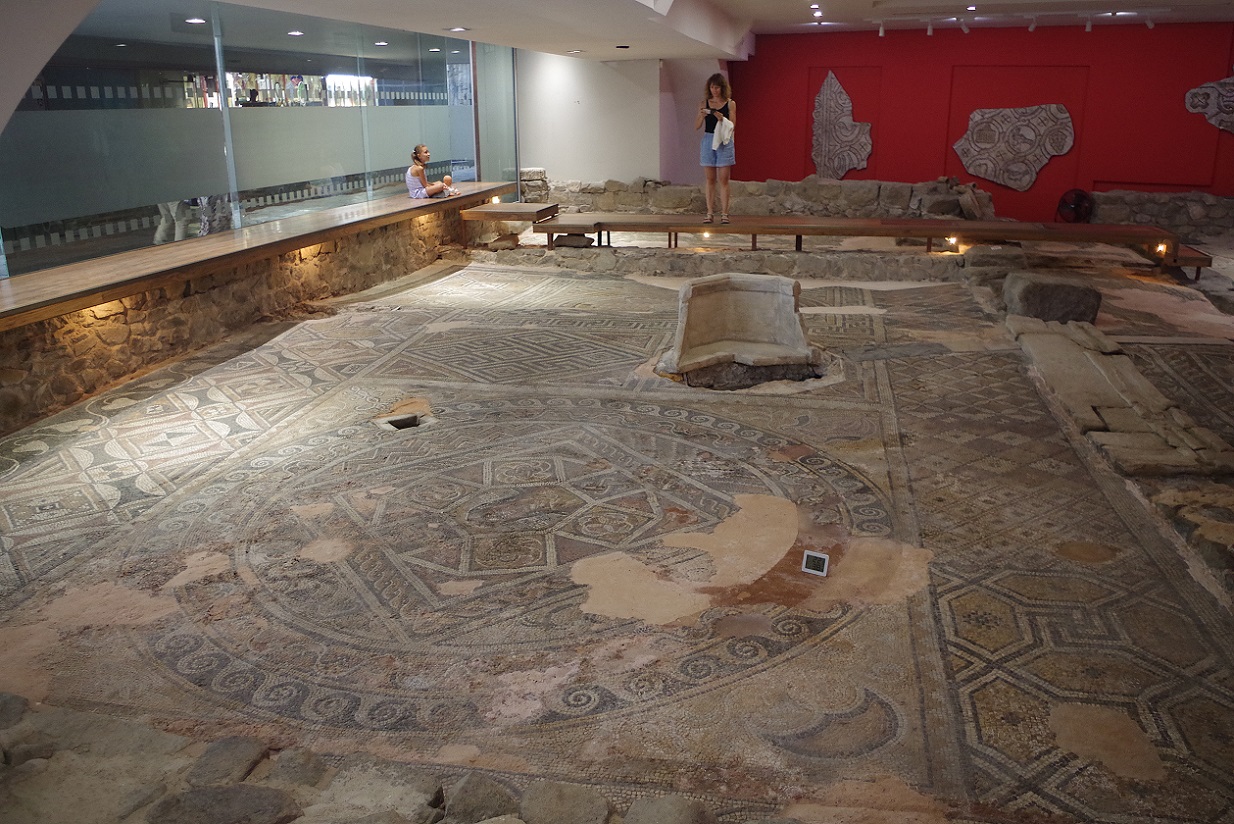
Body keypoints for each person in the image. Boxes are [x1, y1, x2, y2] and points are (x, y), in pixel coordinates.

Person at [694, 72, 736, 224]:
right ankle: (709, 212)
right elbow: (696, 126)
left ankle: (725, 213)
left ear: (722, 88)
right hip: (708, 139)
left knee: (724, 179)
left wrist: (721, 118)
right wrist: (702, 115)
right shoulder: (704, 103)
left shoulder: (730, 103)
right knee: (710, 178)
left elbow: (732, 125)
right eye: (712, 87)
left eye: (717, 87)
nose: (714, 90)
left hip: (724, 140)